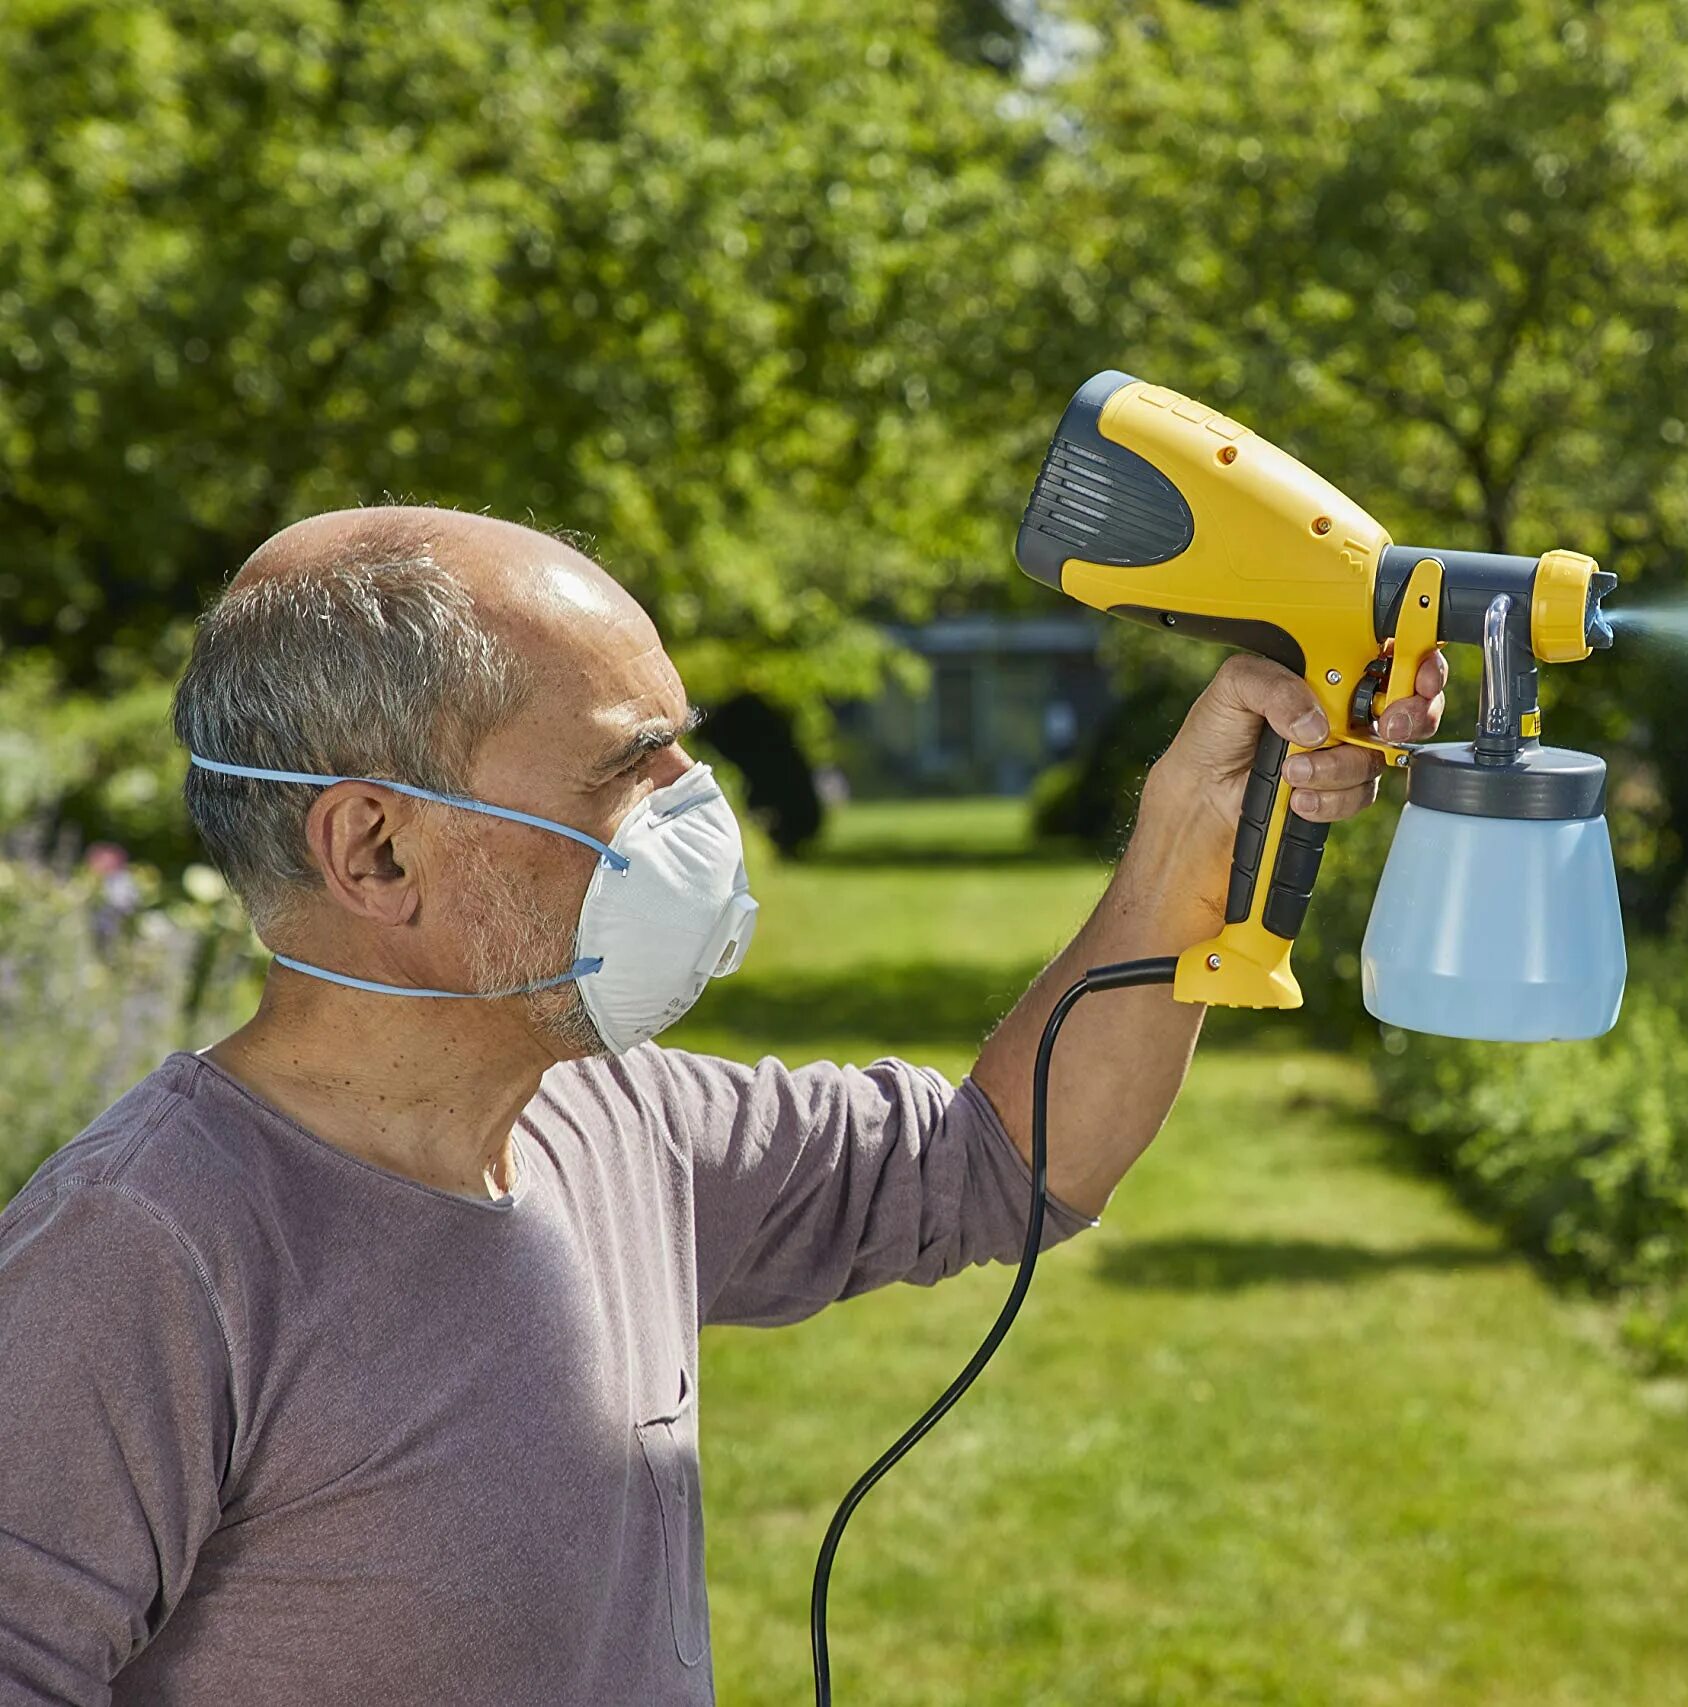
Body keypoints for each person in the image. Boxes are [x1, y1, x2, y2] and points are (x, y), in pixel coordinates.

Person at [0, 507, 1445, 1705]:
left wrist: (1195, 831)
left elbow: (1003, 1162)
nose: (699, 810)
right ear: (374, 849)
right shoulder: (146, 1256)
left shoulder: (613, 1121)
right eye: (634, 766)